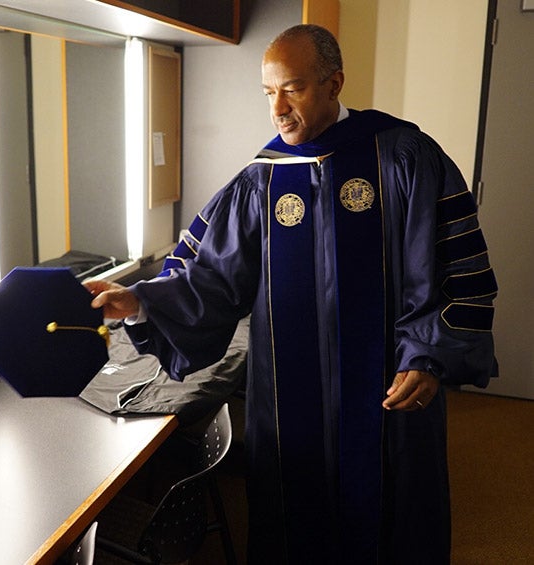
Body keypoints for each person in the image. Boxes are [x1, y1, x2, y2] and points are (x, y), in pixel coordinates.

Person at [85, 25, 497, 564]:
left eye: (293, 89)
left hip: (390, 394)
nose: (277, 108)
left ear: (334, 84)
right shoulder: (261, 182)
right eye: (268, 92)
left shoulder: (404, 157)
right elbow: (211, 279)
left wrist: (427, 356)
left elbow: (452, 266)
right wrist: (141, 302)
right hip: (287, 403)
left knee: (394, 521)